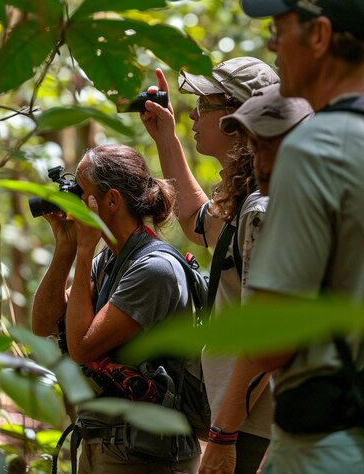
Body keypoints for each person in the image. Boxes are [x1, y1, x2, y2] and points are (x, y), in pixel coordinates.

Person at [238, 0, 364, 474]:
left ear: (319, 36)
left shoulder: (319, 145)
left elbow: (270, 340)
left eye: (281, 30)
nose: (274, 46)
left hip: (331, 445)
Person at [141, 57, 279, 474]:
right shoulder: (244, 196)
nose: (193, 114)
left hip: (253, 424)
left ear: (237, 118)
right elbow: (195, 220)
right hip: (240, 419)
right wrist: (166, 137)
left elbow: (264, 335)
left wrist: (223, 434)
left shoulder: (263, 208)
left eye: (205, 104)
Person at [31, 144, 201, 474]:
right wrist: (67, 249)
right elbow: (44, 324)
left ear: (111, 201)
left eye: (80, 192)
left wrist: (83, 252)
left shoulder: (155, 269)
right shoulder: (110, 259)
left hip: (146, 454)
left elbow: (81, 348)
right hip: (107, 444)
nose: (72, 201)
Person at [198, 83, 312, 474]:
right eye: (253, 144)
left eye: (267, 144)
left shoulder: (265, 210)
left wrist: (222, 435)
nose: (256, 157)